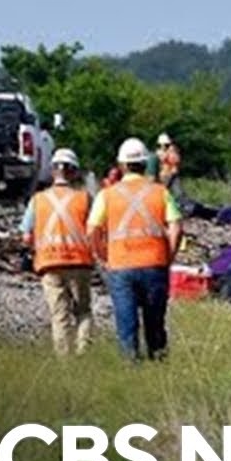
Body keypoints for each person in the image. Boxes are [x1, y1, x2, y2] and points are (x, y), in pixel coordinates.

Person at [87, 137, 184, 363]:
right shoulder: (160, 192)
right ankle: (158, 362)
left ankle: (130, 364)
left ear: (121, 166)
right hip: (154, 265)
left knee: (126, 321)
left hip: (120, 266)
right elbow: (177, 228)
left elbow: (92, 231)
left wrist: (104, 257)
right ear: (146, 163)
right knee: (155, 321)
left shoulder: (107, 195)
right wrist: (167, 257)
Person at [19, 148, 95, 357]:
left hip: (49, 263)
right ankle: (85, 355)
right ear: (74, 173)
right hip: (80, 263)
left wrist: (31, 252)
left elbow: (26, 236)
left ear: (53, 172)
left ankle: (65, 362)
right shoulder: (85, 199)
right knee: (83, 312)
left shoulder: (37, 200)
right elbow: (96, 230)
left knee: (59, 315)